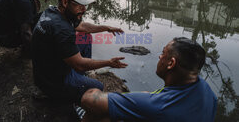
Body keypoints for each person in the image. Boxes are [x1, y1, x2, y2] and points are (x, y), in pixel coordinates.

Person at [31, 0, 127, 105]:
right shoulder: (62, 29)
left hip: (47, 66)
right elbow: (79, 65)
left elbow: (82, 27)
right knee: (97, 86)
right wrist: (109, 63)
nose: (84, 9)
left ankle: (78, 77)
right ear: (65, 2)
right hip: (54, 79)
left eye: (85, 5)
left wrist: (107, 28)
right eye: (80, 5)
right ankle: (49, 93)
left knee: (85, 37)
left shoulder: (53, 12)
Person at [81, 37, 217, 122]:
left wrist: (141, 99)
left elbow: (89, 99)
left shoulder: (157, 105)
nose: (159, 57)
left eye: (163, 53)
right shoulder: (208, 92)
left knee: (104, 116)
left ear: (171, 63)